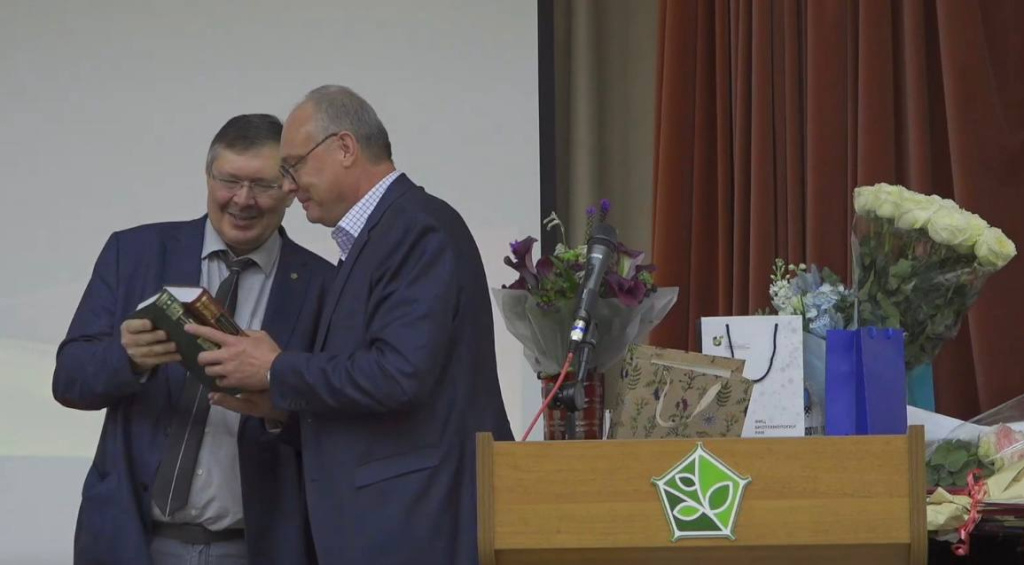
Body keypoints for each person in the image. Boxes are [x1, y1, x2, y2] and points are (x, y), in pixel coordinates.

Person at [188, 85, 514, 564]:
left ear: (344, 147)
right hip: (390, 525)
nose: (288, 187)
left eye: (293, 167)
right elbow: (372, 395)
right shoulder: (378, 235)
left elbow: (399, 374)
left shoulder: (415, 228)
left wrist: (276, 368)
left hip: (417, 526)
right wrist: (280, 408)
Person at [53, 113, 334, 565]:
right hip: (132, 542)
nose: (243, 200)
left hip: (257, 548)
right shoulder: (135, 253)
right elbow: (69, 381)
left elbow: (339, 423)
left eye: (262, 185)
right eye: (229, 181)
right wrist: (126, 358)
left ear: (290, 188)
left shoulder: (324, 286)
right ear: (208, 177)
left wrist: (279, 409)